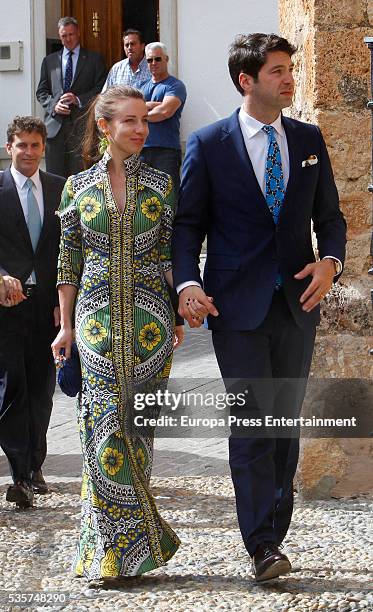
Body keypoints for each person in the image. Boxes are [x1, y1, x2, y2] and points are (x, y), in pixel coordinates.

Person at [172, 33, 346, 583]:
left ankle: (274, 528)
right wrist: (186, 285)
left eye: (289, 68)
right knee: (252, 423)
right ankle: (262, 543)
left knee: (284, 425)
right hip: (235, 308)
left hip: (297, 305)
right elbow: (187, 225)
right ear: (247, 81)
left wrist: (331, 262)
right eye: (276, 71)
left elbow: (332, 218)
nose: (289, 78)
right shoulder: (208, 143)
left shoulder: (308, 138)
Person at [51, 86, 184, 585]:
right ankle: (110, 549)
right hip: (94, 321)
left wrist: (181, 307)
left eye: (144, 120)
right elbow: (68, 262)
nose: (140, 129)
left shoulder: (161, 185)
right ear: (104, 126)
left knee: (138, 432)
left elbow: (172, 255)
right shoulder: (76, 188)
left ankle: (135, 550)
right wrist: (64, 327)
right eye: (129, 121)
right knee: (102, 430)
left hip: (150, 324)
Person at [0, 116, 65, 508]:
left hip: (48, 307)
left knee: (42, 390)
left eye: (35, 145)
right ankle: (20, 473)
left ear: (43, 148)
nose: (28, 152)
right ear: (9, 147)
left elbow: (69, 249)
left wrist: (65, 301)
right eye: (21, 145)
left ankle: (34, 467)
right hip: (6, 304)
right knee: (12, 387)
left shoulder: (60, 188)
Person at [36, 16, 107, 178]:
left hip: (81, 127)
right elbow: (41, 92)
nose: (68, 39)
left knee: (81, 176)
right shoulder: (49, 61)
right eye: (64, 36)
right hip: (55, 128)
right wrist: (54, 105)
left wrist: (79, 99)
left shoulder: (94, 60)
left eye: (71, 34)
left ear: (78, 33)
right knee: (54, 178)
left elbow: (101, 89)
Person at [140, 42, 187, 196]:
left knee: (168, 199)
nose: (153, 63)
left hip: (166, 151)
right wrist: (149, 105)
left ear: (166, 59)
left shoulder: (175, 85)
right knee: (142, 199)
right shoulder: (140, 86)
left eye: (157, 59)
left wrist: (140, 114)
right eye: (149, 60)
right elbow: (127, 109)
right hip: (140, 150)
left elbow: (165, 111)